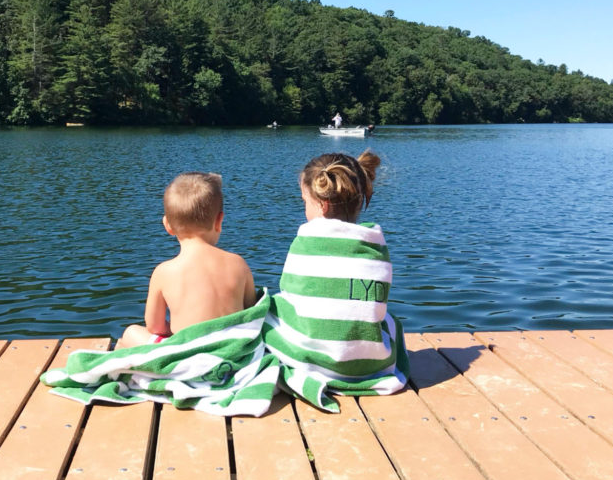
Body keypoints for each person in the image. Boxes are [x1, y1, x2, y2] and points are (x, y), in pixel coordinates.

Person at [262, 150, 409, 410]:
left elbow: (290, 297)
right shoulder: (376, 246)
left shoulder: (306, 240)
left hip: (312, 360)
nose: (304, 208)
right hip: (370, 365)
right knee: (390, 321)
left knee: (267, 307)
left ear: (322, 204)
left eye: (304, 201)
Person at [118, 172, 257, 348]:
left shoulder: (164, 272)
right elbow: (251, 313)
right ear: (219, 221)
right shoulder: (238, 264)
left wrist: (179, 334)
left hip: (186, 355)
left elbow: (154, 326)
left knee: (131, 333)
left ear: (167, 225)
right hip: (231, 351)